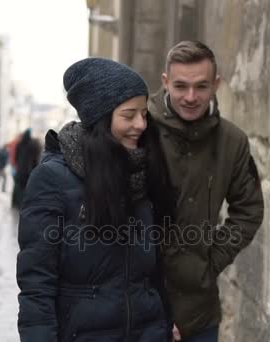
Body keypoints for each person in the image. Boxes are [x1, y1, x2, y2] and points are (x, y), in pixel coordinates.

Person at [16, 57, 174, 341]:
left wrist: (166, 321)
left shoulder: (143, 169)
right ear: (100, 119)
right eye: (128, 115)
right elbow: (37, 284)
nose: (140, 124)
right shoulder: (52, 179)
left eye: (143, 113)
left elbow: (154, 272)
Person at [148, 40, 265, 341]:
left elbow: (248, 209)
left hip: (199, 313)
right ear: (165, 82)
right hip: (142, 304)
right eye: (181, 86)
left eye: (201, 87)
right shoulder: (140, 129)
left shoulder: (233, 141)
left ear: (216, 84)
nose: (190, 97)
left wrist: (210, 262)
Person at [11, 129, 41, 209]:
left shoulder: (19, 144)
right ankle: (24, 204)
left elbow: (16, 157)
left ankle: (16, 203)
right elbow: (35, 159)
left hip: (20, 170)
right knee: (26, 188)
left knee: (18, 187)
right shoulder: (32, 145)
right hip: (28, 171)